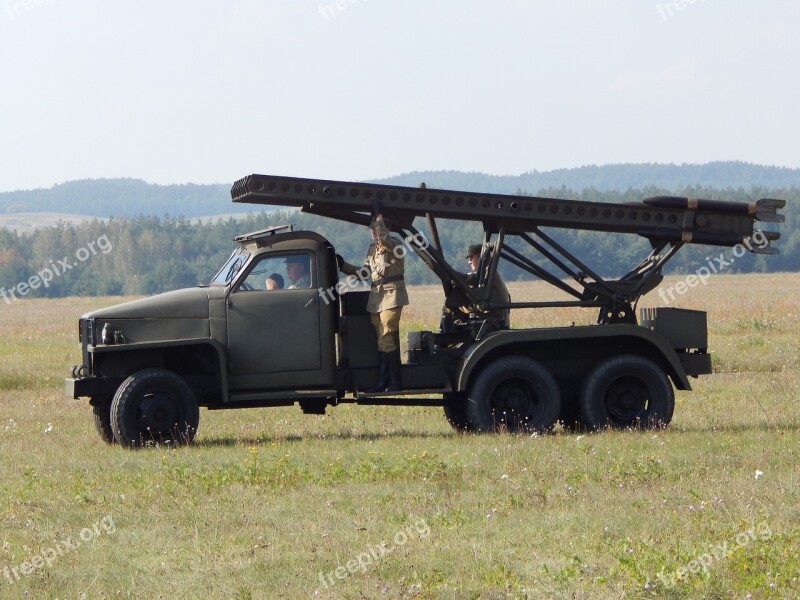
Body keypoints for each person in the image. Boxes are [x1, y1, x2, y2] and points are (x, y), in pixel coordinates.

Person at [337, 212, 408, 392]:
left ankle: (395, 381)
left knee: (386, 338)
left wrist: (379, 219)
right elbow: (365, 274)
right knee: (381, 340)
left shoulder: (395, 245)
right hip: (377, 297)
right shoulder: (372, 249)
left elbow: (385, 240)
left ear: (386, 229)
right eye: (372, 230)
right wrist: (342, 265)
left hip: (392, 296)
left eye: (377, 230)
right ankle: (385, 382)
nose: (374, 233)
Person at [464, 243, 511, 329]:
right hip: (496, 320)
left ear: (480, 257)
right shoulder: (487, 272)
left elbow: (472, 278)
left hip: (497, 323)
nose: (469, 262)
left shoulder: (487, 272)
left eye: (471, 258)